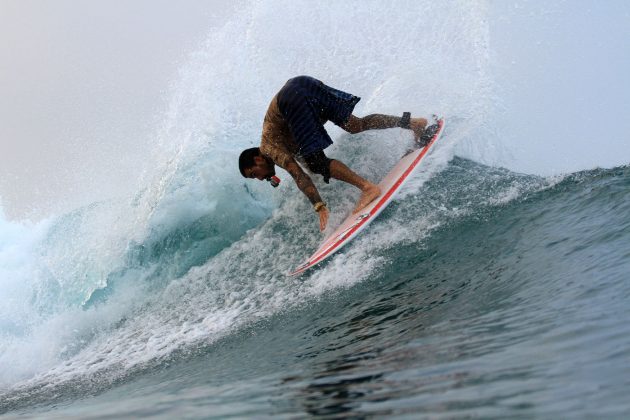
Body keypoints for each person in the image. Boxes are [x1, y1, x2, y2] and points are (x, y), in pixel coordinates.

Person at [239, 75, 435, 231]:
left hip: (291, 100)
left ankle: (368, 188)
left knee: (318, 163)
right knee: (356, 124)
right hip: (303, 83)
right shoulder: (279, 137)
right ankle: (414, 123)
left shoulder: (268, 147)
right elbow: (304, 163)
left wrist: (318, 205)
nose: (259, 178)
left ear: (258, 159)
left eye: (254, 173)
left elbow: (298, 175)